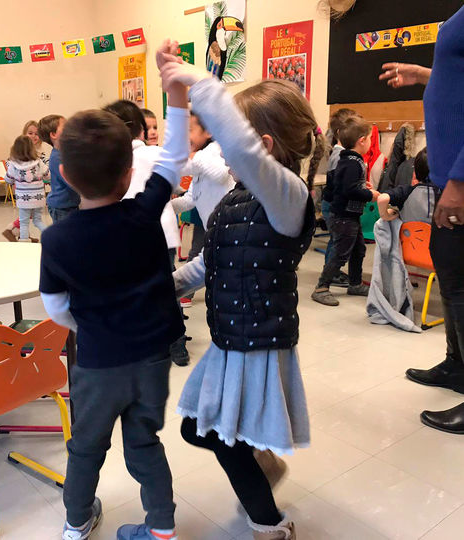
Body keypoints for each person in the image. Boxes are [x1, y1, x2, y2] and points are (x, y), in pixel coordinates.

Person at [159, 52, 325, 539]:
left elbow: (245, 154)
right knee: (198, 427)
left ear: (263, 144)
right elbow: (210, 263)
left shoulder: (289, 194)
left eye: (228, 135)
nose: (217, 145)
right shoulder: (236, 198)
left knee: (214, 435)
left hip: (259, 341)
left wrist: (200, 85)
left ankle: (271, 526)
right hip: (232, 336)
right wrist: (164, 286)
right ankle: (264, 468)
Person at [40, 40, 189, 540]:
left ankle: (76, 521)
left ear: (63, 176)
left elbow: (55, 306)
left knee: (86, 447)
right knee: (145, 443)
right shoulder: (146, 213)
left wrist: (89, 325)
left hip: (99, 362)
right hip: (153, 358)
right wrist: (176, 94)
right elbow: (173, 157)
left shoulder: (57, 238)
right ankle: (162, 527)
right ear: (130, 173)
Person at [380, 6, 464, 433]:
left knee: (462, 285)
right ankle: (456, 366)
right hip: (451, 178)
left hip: (460, 183)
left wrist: (461, 181)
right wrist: (426, 75)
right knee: (451, 279)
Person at [105, 99, 190, 366]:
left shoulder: (111, 158)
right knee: (165, 289)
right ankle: (177, 345)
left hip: (126, 236)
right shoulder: (155, 154)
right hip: (160, 235)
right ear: (140, 130)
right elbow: (184, 170)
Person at [312, 115, 380, 307]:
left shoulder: (350, 159)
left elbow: (344, 184)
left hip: (350, 215)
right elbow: (348, 190)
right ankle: (321, 287)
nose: (369, 143)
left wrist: (361, 186)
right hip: (343, 216)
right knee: (341, 253)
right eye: (369, 139)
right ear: (362, 141)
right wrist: (369, 194)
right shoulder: (352, 162)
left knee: (358, 249)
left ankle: (355, 283)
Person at [172, 112, 235, 307]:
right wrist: (163, 208)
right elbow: (191, 198)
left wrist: (189, 160)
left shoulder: (215, 152)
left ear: (208, 131)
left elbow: (219, 173)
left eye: (190, 130)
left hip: (232, 238)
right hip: (216, 237)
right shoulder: (202, 162)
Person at [322, 107, 356, 287]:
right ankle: (331, 272)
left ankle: (331, 269)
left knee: (335, 239)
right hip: (333, 205)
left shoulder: (342, 154)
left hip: (332, 204)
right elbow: (339, 185)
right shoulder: (340, 155)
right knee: (337, 240)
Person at [2, 120, 52, 242]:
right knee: (36, 220)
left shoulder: (15, 162)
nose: (34, 136)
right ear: (25, 133)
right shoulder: (38, 160)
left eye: (36, 134)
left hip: (23, 196)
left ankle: (21, 239)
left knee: (24, 220)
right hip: (39, 196)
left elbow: (8, 177)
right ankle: (51, 237)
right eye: (30, 133)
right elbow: (47, 174)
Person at [377, 147, 438, 223]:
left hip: (409, 234)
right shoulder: (444, 193)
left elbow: (382, 199)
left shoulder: (406, 191)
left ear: (415, 171)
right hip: (438, 234)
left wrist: (385, 216)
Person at [39, 114, 80, 223]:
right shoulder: (57, 158)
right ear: (53, 134)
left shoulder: (65, 153)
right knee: (67, 237)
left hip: (69, 204)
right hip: (61, 208)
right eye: (66, 126)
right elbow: (71, 182)